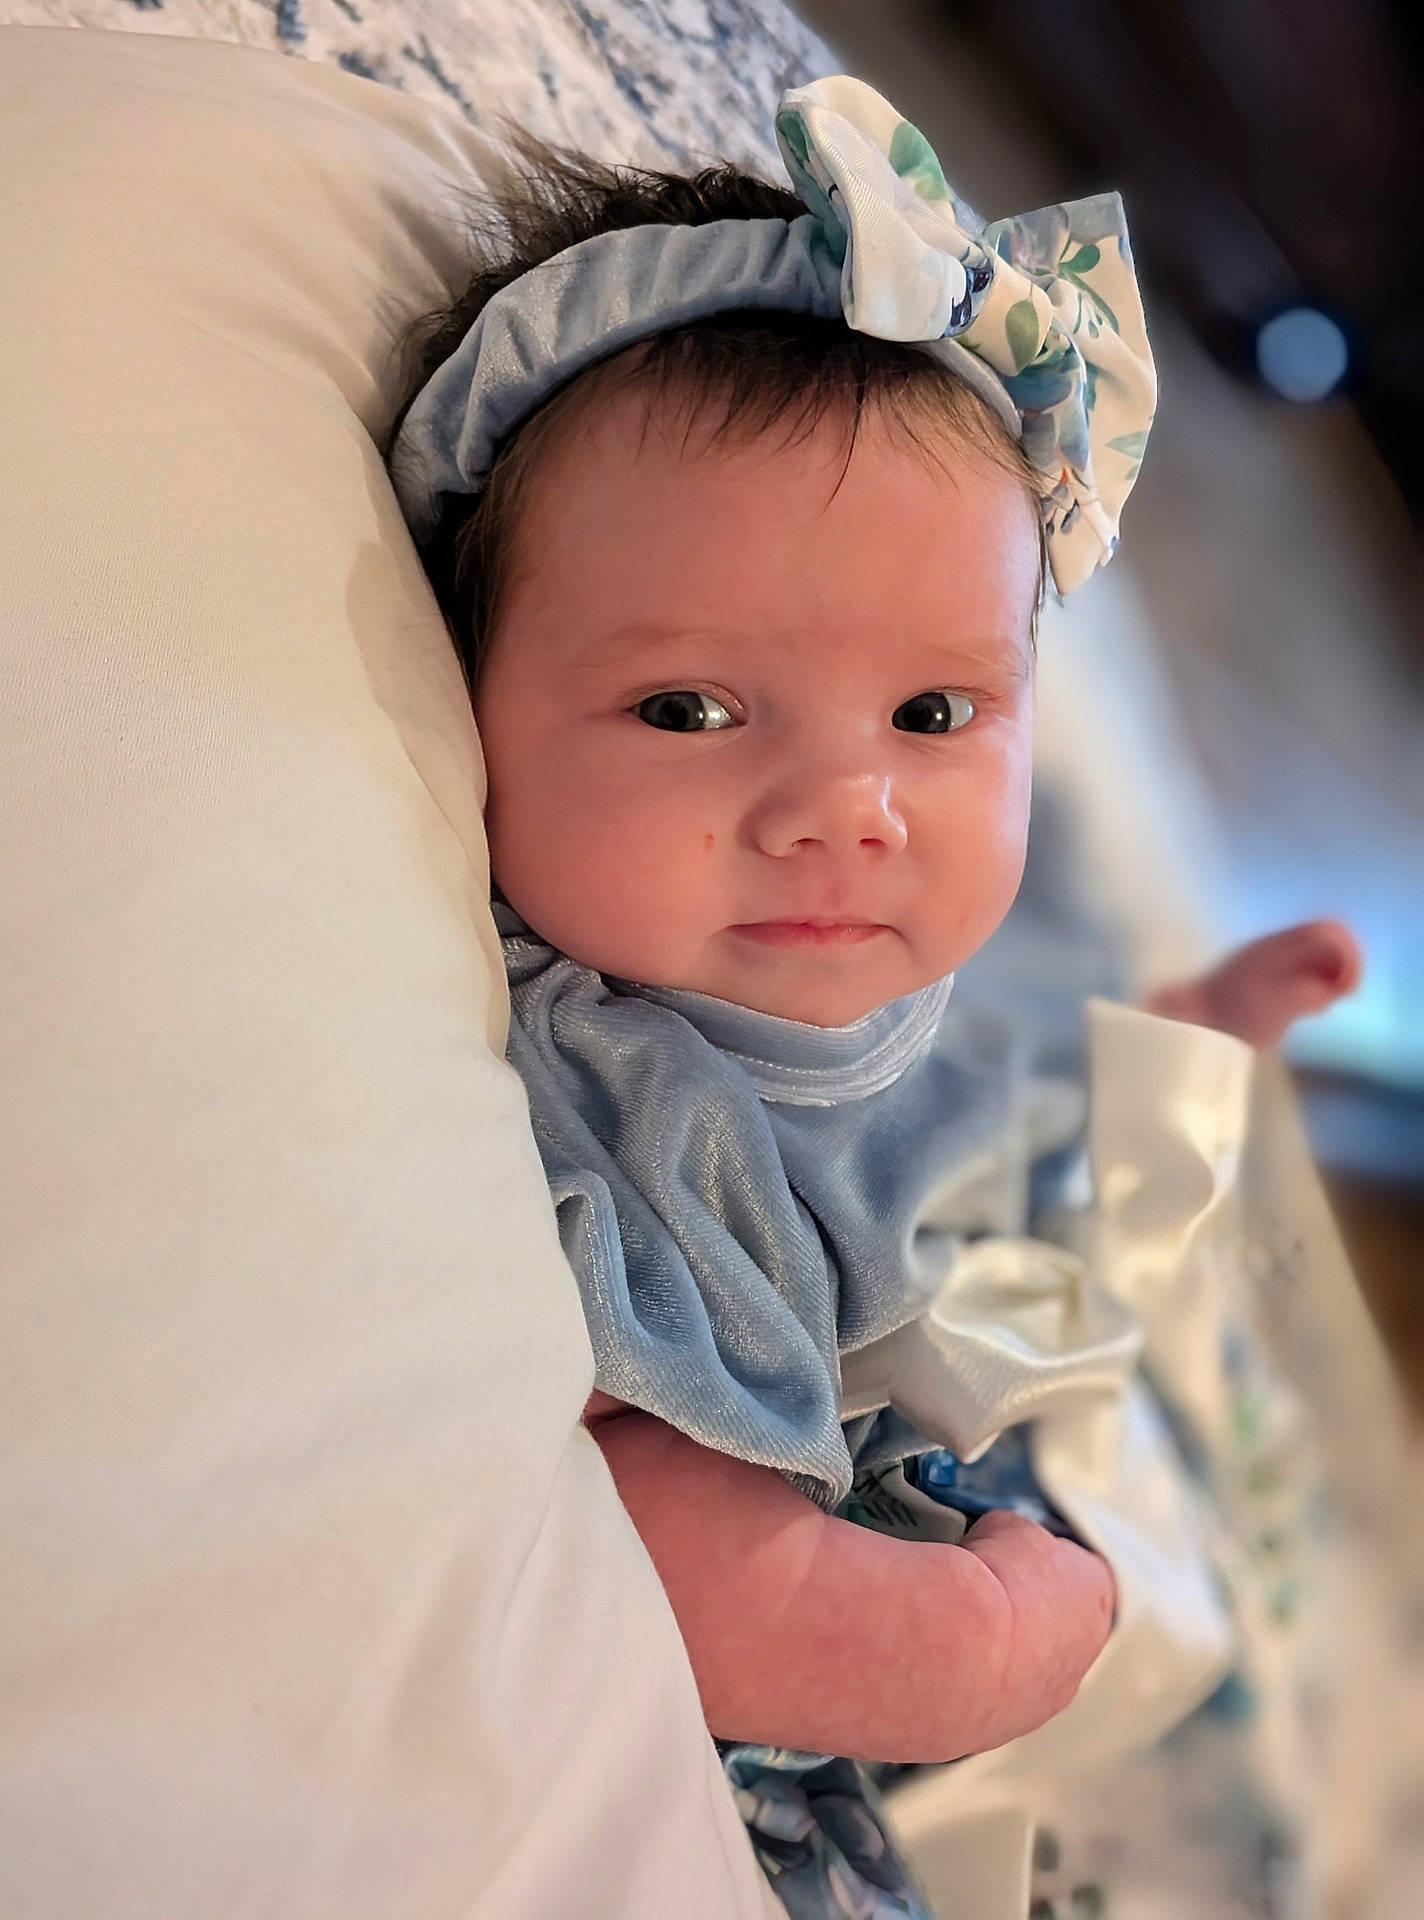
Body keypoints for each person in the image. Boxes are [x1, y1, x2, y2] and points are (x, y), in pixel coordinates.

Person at [386, 77, 1360, 1915]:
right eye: (689, 710)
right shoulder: (631, 1100)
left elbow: (1036, 1173)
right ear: (464, 704)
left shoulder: (912, 991)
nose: (852, 811)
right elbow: (668, 1536)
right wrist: (961, 1647)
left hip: (1071, 1511)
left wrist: (1196, 1042)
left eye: (935, 714)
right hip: (880, 1729)